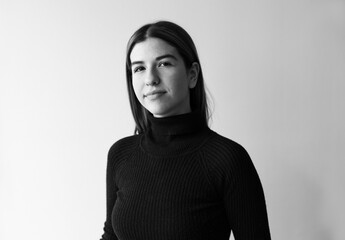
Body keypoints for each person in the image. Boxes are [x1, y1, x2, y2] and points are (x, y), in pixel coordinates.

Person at [100, 21, 271, 240]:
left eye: (164, 64)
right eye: (139, 68)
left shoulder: (228, 159)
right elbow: (111, 236)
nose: (150, 79)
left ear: (192, 74)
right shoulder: (121, 154)